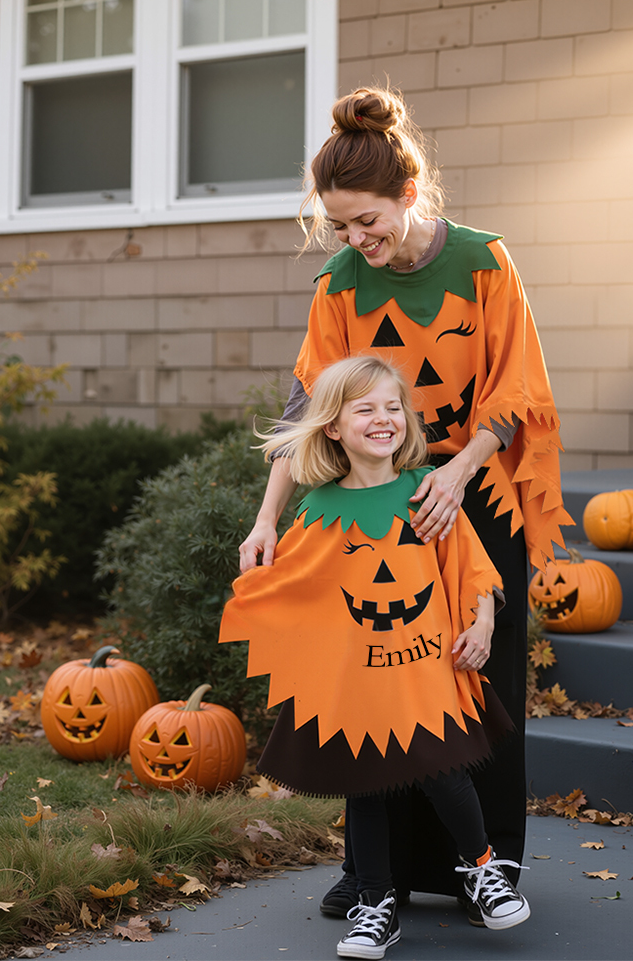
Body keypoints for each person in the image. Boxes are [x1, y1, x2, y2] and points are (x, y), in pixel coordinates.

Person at [238, 86, 570, 919]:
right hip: (380, 499)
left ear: (408, 196)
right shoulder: (341, 282)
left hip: (475, 492)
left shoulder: (486, 262)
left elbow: (518, 388)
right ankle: (372, 873)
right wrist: (267, 518)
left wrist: (456, 476)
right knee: (373, 679)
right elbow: (305, 406)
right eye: (340, 227)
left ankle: (480, 867)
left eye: (367, 223)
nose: (355, 241)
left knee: (470, 681)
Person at [220, 356, 530, 959]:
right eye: (365, 409)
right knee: (366, 790)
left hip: (427, 673)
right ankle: (375, 902)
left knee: (445, 773)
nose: (383, 420)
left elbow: (471, 569)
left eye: (393, 408)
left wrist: (484, 622)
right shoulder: (317, 511)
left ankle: (483, 868)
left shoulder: (428, 493)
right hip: (359, 684)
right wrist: (254, 591)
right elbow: (302, 587)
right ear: (333, 426)